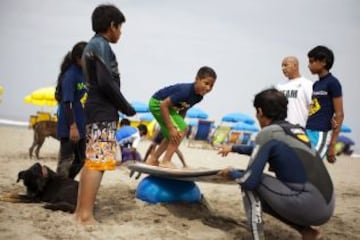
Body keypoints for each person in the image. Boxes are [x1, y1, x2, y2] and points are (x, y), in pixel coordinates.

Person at [218, 88, 335, 240]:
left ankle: (257, 237)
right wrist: (233, 148)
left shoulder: (268, 133)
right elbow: (264, 149)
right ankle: (307, 232)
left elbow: (250, 181)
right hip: (327, 206)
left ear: (260, 111)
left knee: (247, 180)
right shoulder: (295, 130)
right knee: (259, 189)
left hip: (308, 205)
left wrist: (232, 173)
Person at [74, 4, 136, 225]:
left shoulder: (91, 46)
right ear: (112, 25)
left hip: (94, 107)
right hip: (102, 108)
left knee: (92, 160)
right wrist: (125, 106)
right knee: (98, 162)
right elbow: (105, 82)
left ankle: (80, 212)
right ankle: (85, 215)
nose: (120, 33)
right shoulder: (101, 45)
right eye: (120, 28)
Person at [145, 66, 216, 168]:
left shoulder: (198, 97)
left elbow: (184, 109)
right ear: (197, 79)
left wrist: (177, 128)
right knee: (182, 129)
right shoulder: (185, 91)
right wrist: (172, 127)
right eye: (206, 83)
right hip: (157, 103)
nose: (208, 88)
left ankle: (153, 159)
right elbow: (163, 105)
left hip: (168, 107)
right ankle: (166, 161)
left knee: (173, 135)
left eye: (211, 86)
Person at [305, 46, 344, 163]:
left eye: (312, 61)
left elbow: (340, 114)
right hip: (308, 130)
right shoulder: (316, 84)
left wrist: (332, 145)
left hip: (322, 133)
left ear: (323, 62)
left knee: (312, 166)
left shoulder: (333, 83)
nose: (309, 65)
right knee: (302, 166)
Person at [55, 41, 87, 179]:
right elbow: (67, 103)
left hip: (81, 122)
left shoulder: (84, 73)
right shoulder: (70, 75)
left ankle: (66, 183)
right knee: (66, 160)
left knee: (81, 160)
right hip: (69, 123)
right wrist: (73, 127)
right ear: (78, 58)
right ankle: (59, 187)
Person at [276, 56, 313, 127]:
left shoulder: (307, 84)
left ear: (295, 66)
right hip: (282, 129)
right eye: (282, 66)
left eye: (285, 65)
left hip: (300, 129)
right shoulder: (280, 86)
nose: (283, 68)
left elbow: (313, 108)